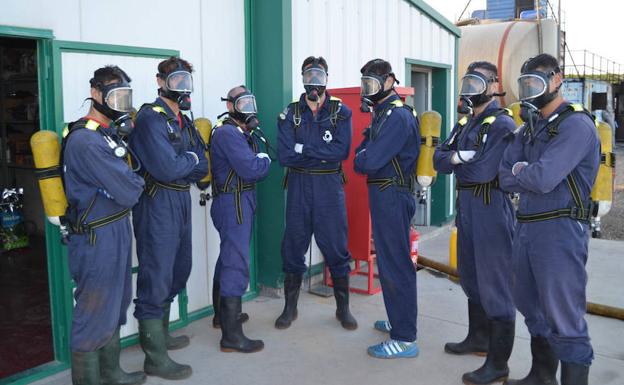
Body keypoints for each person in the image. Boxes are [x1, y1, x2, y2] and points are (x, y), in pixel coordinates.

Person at [499, 54, 600, 385]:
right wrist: (523, 171)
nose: (531, 90)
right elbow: (504, 176)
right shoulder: (531, 127)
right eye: (526, 83)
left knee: (564, 315)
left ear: (557, 80)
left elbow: (543, 179)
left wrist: (524, 171)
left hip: (560, 229)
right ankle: (542, 376)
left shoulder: (576, 125)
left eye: (537, 82)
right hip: (527, 226)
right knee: (529, 303)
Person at [433, 61, 517, 384]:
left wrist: (459, 160)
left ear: (494, 86)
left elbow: (484, 171)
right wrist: (459, 158)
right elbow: (440, 158)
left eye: (477, 82)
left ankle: (499, 364)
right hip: (467, 204)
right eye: (467, 82)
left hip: (490, 205)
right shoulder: (466, 122)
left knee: (495, 284)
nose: (469, 88)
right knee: (471, 276)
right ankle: (478, 338)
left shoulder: (502, 124)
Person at [62, 66, 145, 385]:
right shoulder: (86, 140)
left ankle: (111, 373)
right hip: (97, 235)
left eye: (125, 97)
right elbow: (130, 190)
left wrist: (126, 180)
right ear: (96, 94)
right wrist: (129, 182)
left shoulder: (105, 136)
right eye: (114, 96)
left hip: (115, 227)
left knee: (116, 303)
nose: (120, 104)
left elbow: (125, 185)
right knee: (93, 311)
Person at [129, 57, 208, 380]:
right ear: (160, 82)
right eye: (177, 80)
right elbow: (167, 168)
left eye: (187, 80)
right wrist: (188, 160)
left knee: (179, 269)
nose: (183, 87)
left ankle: (160, 336)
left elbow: (203, 166)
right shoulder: (151, 119)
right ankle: (154, 357)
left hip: (179, 199)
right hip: (156, 201)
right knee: (156, 274)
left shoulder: (182, 120)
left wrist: (186, 161)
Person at [275, 56, 357, 331]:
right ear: (302, 78)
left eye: (319, 77)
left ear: (326, 79)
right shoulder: (290, 114)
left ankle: (343, 309)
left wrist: (304, 149)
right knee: (293, 246)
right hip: (298, 187)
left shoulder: (340, 112)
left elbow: (341, 152)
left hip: (328, 188)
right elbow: (285, 156)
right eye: (309, 77)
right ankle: (290, 308)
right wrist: (317, 155)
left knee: (336, 246)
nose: (314, 83)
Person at [353, 59, 420, 358]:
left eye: (373, 83)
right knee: (390, 261)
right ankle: (398, 319)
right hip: (384, 193)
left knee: (396, 264)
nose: (368, 90)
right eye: (365, 84)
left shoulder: (396, 116)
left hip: (392, 193)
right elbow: (361, 156)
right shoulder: (382, 114)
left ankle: (405, 338)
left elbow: (367, 161)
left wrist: (364, 156)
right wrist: (364, 156)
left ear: (390, 81)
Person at [210, 86, 271, 352]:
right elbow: (251, 169)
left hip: (237, 200)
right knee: (235, 262)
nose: (248, 109)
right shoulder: (227, 133)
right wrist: (264, 158)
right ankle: (231, 337)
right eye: (242, 103)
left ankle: (222, 316)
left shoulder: (239, 132)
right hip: (234, 202)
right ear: (230, 107)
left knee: (228, 257)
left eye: (250, 103)